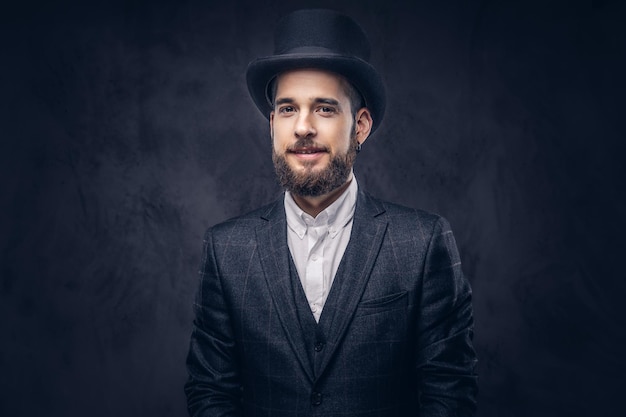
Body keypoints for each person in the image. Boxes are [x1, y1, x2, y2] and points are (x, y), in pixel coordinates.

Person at [185, 9, 477, 416]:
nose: (303, 127)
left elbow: (449, 395)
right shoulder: (226, 249)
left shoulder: (424, 243)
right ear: (272, 124)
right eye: (288, 109)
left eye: (324, 108)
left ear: (360, 125)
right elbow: (210, 393)